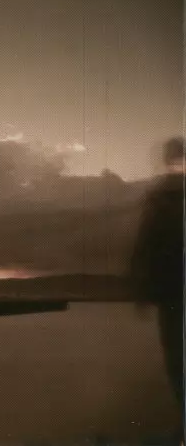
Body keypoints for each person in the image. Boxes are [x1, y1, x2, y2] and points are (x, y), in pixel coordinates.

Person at [130, 136, 184, 442]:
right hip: (172, 292)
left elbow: (146, 244)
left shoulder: (161, 198)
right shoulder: (160, 197)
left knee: (177, 360)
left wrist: (142, 287)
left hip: (172, 294)